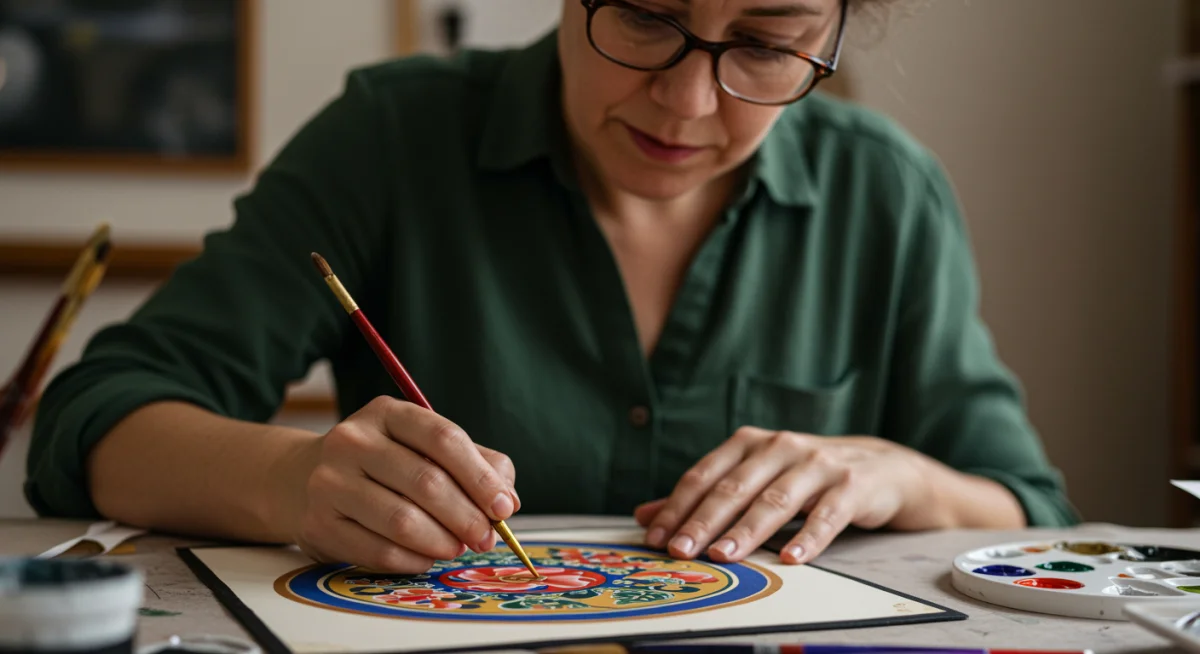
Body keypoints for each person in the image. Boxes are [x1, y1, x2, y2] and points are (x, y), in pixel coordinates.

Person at [26, 0, 1079, 574]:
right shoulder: (394, 137)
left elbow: (1032, 515)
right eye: (647, 17)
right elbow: (93, 423)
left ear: (833, 34)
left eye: (763, 43)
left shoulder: (884, 191)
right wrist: (290, 482)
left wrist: (889, 473)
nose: (686, 99)